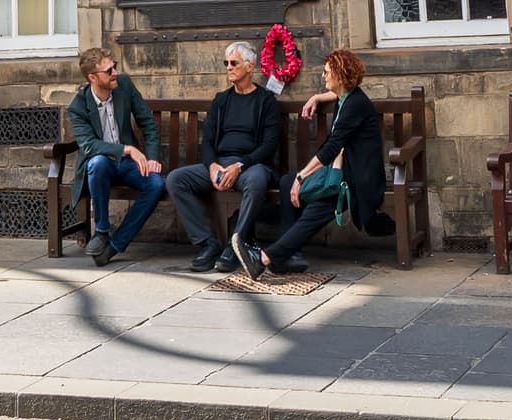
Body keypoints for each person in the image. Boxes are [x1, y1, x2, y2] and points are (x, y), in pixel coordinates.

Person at [248, 50, 384, 276]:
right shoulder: (346, 97)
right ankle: (290, 255)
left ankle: (266, 257)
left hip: (359, 179)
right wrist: (319, 97)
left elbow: (331, 148)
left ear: (340, 76)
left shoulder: (354, 105)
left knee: (322, 202)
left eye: (327, 72)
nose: (323, 76)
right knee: (286, 182)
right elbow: (338, 96)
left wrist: (303, 176)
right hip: (344, 171)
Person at [162, 42, 285, 273]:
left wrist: (240, 165)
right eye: (226, 63)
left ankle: (234, 245)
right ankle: (208, 243)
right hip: (220, 166)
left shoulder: (266, 100)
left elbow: (269, 145)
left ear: (249, 67)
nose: (228, 67)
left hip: (251, 166)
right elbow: (207, 141)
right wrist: (211, 165)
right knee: (176, 179)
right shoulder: (221, 100)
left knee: (257, 180)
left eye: (234, 63)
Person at [64, 49, 166, 264]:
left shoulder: (124, 86)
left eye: (115, 66)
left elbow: (147, 123)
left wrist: (152, 157)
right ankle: (101, 230)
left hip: (128, 165)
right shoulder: (78, 106)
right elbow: (89, 146)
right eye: (109, 70)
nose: (115, 72)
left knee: (155, 184)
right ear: (93, 77)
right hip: (102, 167)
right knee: (98, 162)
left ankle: (115, 245)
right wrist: (127, 149)